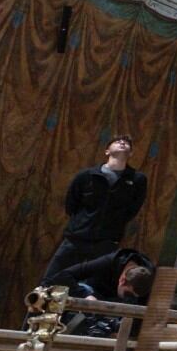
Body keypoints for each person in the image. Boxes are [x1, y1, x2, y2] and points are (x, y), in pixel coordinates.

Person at [41, 135, 148, 285]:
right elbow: (72, 204)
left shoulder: (137, 180)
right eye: (117, 141)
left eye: (127, 143)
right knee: (50, 281)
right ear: (107, 151)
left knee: (90, 286)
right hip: (77, 239)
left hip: (106, 243)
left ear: (131, 154)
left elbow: (132, 209)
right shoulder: (86, 175)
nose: (123, 143)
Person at [45, 246, 154, 337]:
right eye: (128, 294)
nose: (130, 297)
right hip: (93, 299)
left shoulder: (147, 280)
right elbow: (63, 276)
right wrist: (85, 295)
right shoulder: (109, 262)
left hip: (117, 312)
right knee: (80, 289)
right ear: (122, 280)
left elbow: (141, 320)